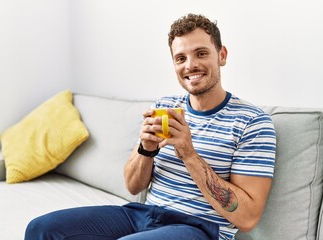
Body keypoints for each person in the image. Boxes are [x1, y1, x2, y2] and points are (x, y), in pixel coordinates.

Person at [25, 13, 276, 240]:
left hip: (199, 228)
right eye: (181, 58)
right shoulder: (165, 106)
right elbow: (133, 186)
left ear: (221, 55)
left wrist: (188, 153)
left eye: (201, 53)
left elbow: (247, 218)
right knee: (41, 229)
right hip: (142, 215)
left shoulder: (252, 122)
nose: (190, 65)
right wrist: (146, 149)